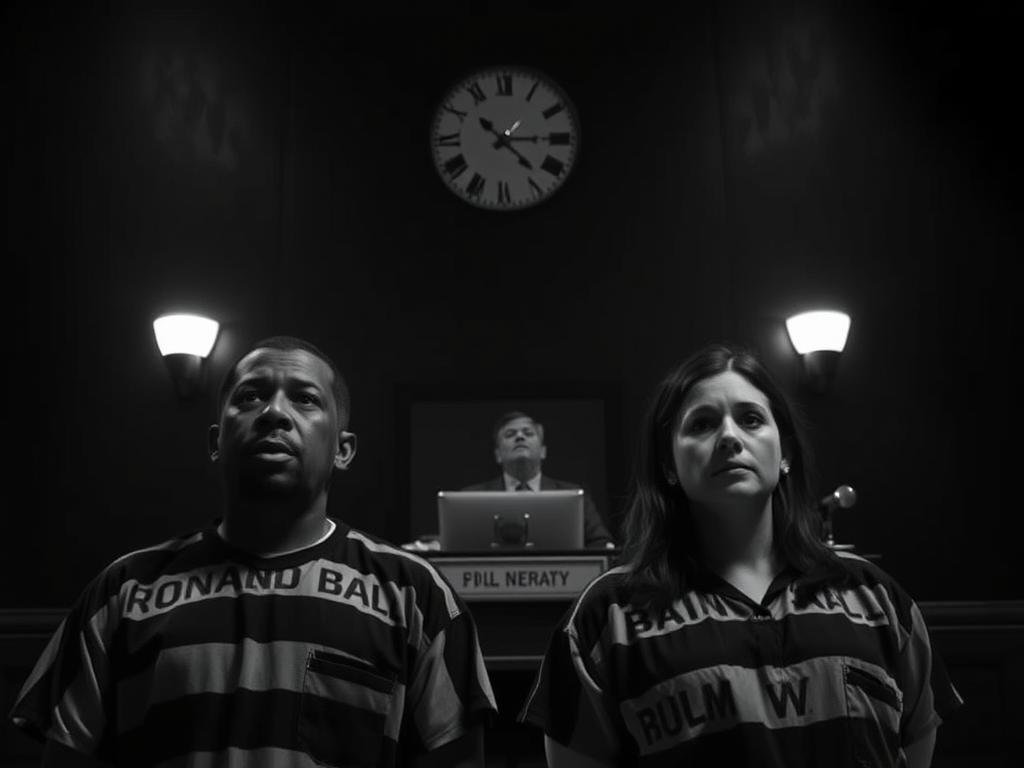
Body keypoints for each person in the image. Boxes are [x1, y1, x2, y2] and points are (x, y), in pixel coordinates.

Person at [10, 336, 497, 767]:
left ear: (343, 449)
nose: (274, 412)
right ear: (216, 441)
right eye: (251, 396)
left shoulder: (413, 593)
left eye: (305, 399)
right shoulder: (122, 593)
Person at [520, 343, 961, 767]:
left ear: (784, 452)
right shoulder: (604, 618)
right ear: (669, 465)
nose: (730, 437)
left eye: (751, 419)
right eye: (702, 424)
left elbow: (917, 739)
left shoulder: (876, 597)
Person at [462, 411, 614, 549]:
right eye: (510, 434)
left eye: (528, 433)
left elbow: (601, 543)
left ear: (543, 451)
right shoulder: (469, 497)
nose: (520, 437)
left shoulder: (575, 496)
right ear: (498, 455)